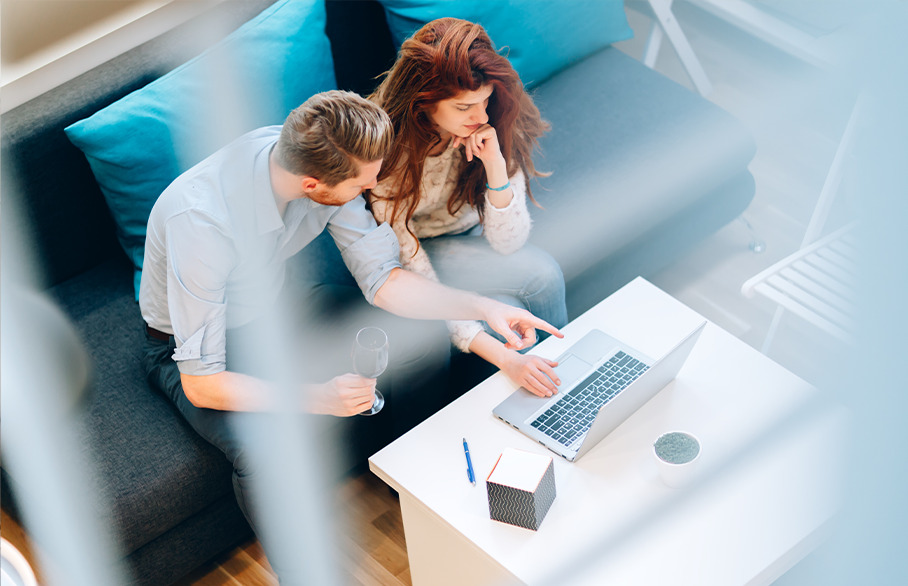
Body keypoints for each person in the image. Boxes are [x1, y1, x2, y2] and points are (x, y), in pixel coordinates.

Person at [138, 90, 561, 582]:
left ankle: (413, 487)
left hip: (272, 312)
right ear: (314, 184)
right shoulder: (202, 224)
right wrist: (319, 397)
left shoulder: (307, 155)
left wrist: (484, 306)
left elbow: (383, 278)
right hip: (186, 349)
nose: (376, 184)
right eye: (366, 180)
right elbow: (202, 384)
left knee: (418, 340)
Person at [368, 18, 570, 399]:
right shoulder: (385, 151)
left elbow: (508, 243)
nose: (480, 117)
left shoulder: (495, 120)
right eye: (463, 107)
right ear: (423, 102)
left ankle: (558, 386)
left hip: (473, 233)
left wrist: (496, 166)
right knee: (501, 326)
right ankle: (539, 393)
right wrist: (487, 345)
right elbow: (407, 262)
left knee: (542, 275)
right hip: (415, 248)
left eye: (484, 101)